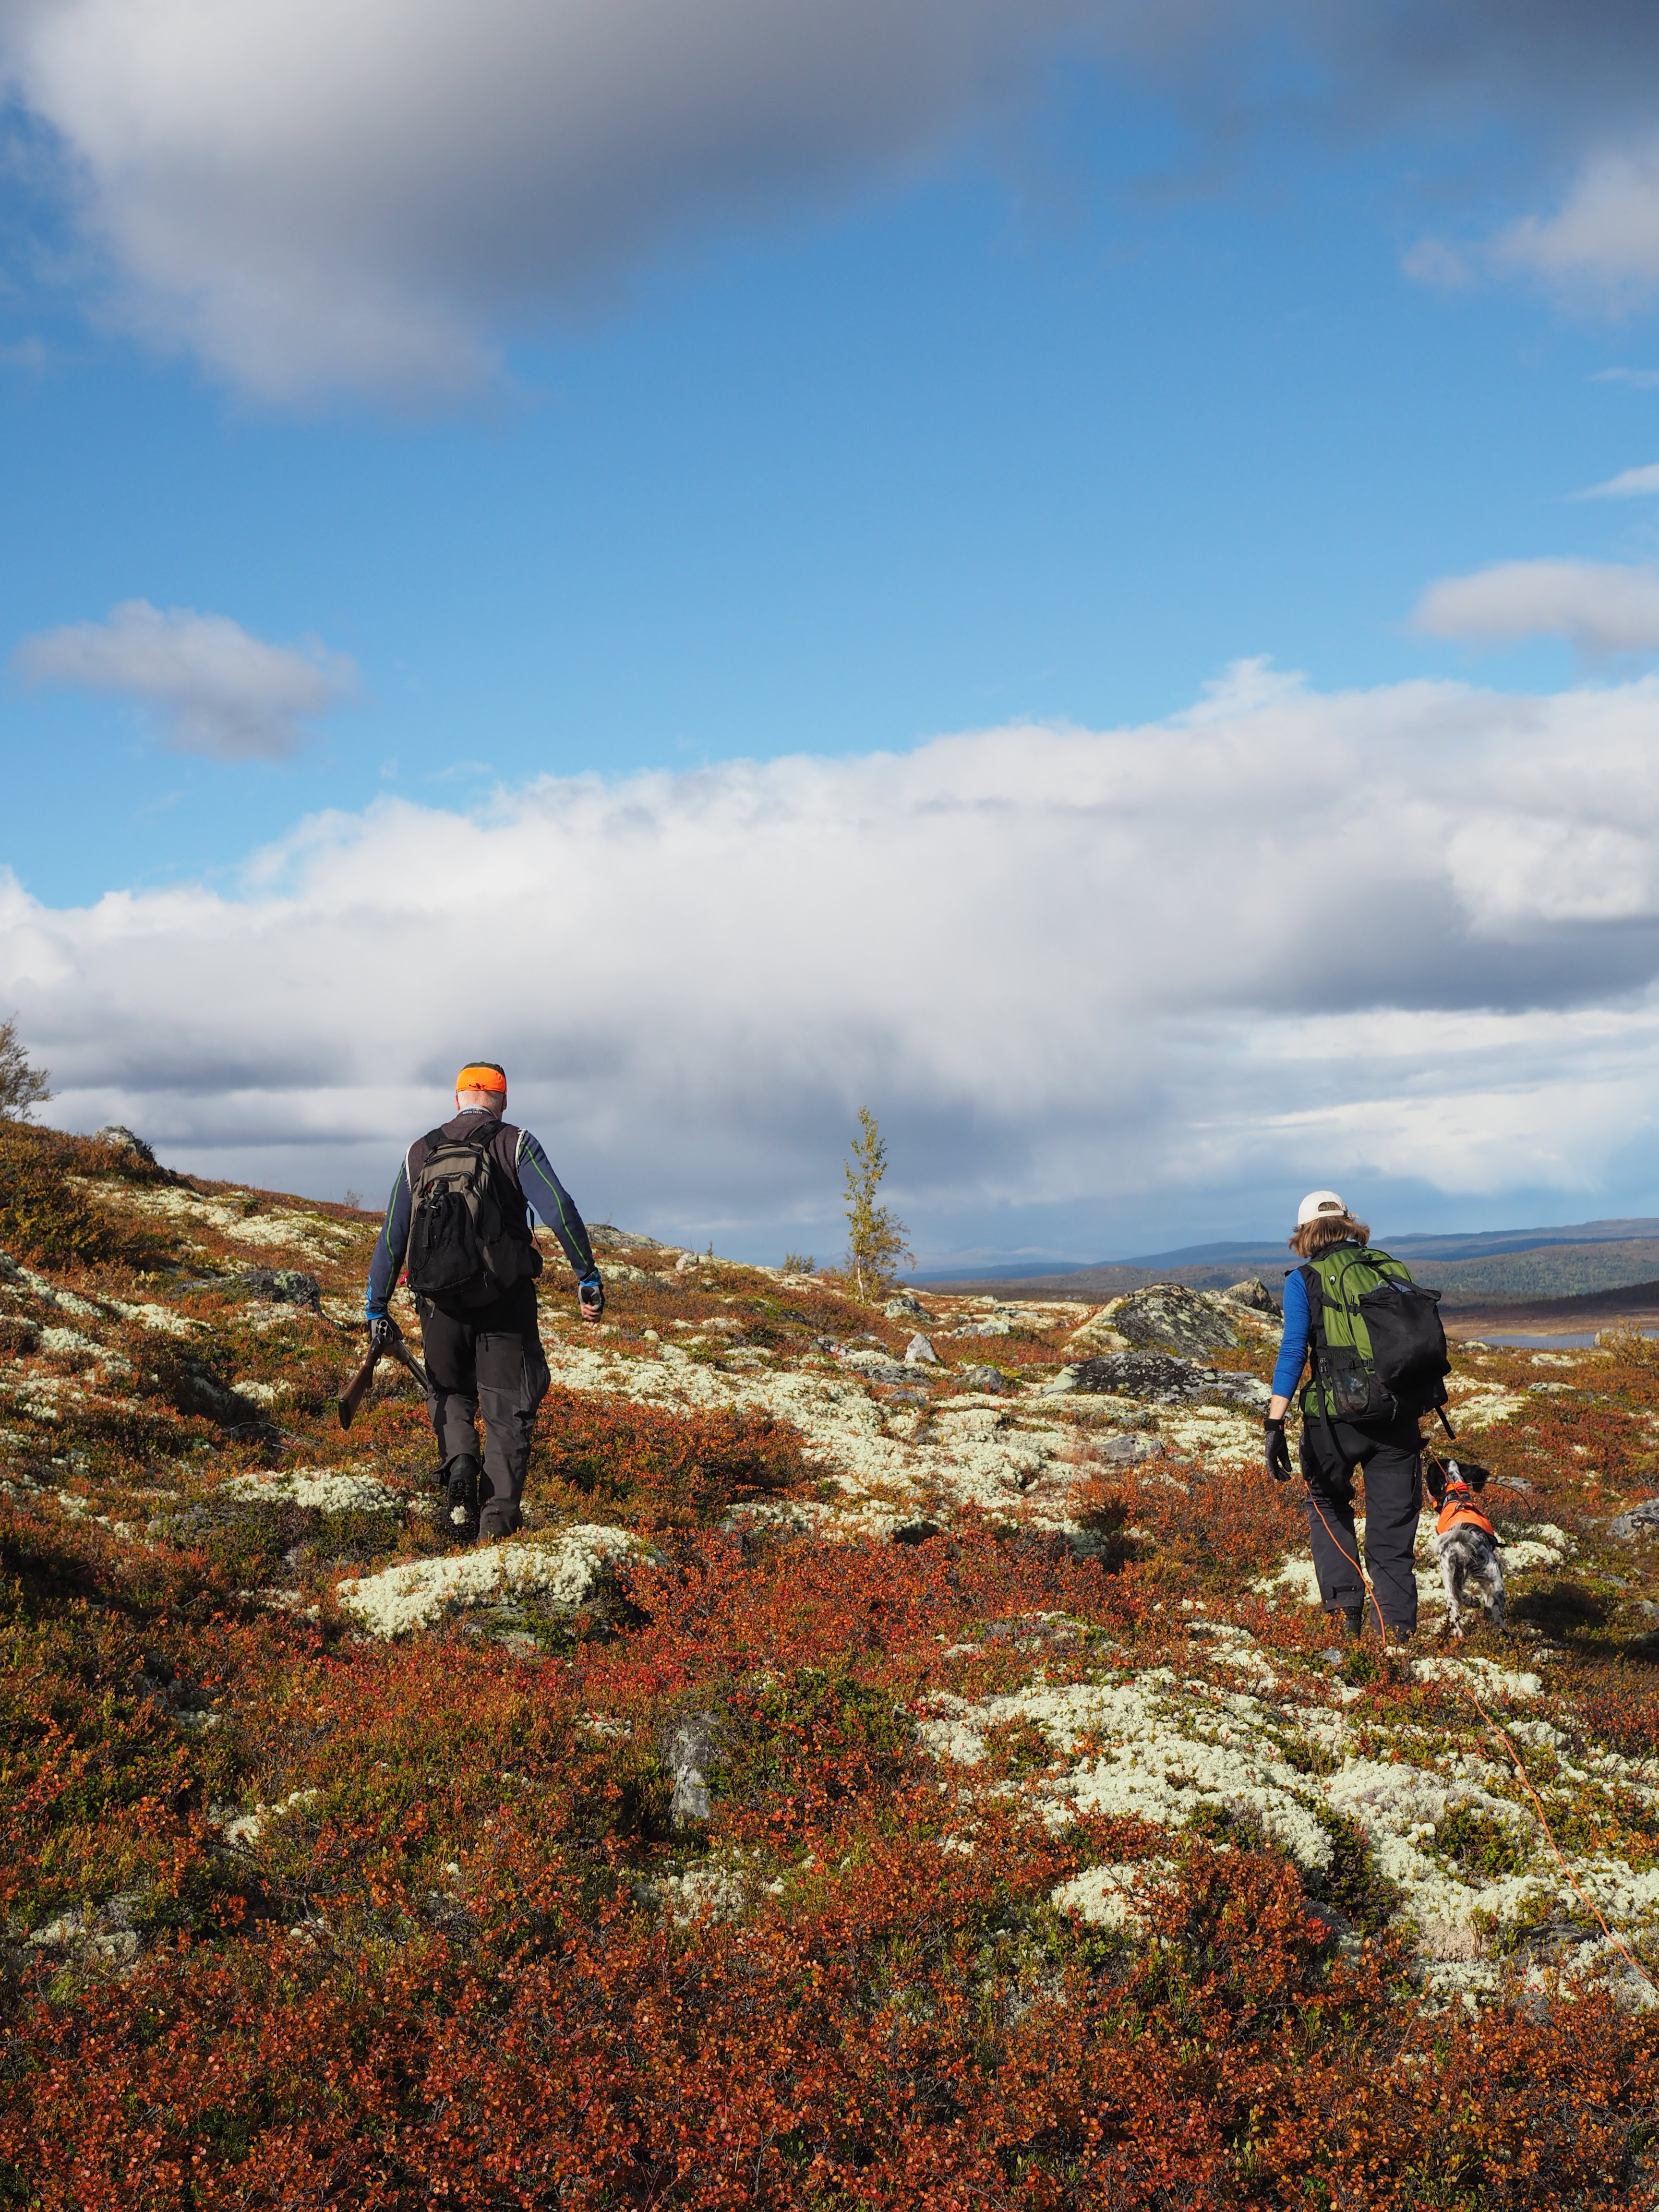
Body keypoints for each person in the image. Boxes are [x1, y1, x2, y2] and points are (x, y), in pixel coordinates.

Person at [366, 1061, 603, 1543]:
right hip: (504, 1304)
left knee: (449, 1392)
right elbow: (560, 1208)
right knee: (507, 1411)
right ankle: (495, 1529)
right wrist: (587, 1277)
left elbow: (393, 1235)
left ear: (458, 1099)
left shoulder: (420, 1151)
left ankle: (460, 1466)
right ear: (503, 1100)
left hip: (438, 1308)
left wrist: (376, 1304)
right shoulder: (515, 1143)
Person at [1262, 1190, 1423, 1643]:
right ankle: (1395, 1640)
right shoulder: (1389, 1268)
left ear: (1304, 1233)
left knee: (1327, 1504)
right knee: (1392, 1534)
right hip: (1398, 1419)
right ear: (1349, 1223)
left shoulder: (1303, 1280)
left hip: (1334, 1425)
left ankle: (1345, 1619)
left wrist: (1275, 1424)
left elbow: (1294, 1350)